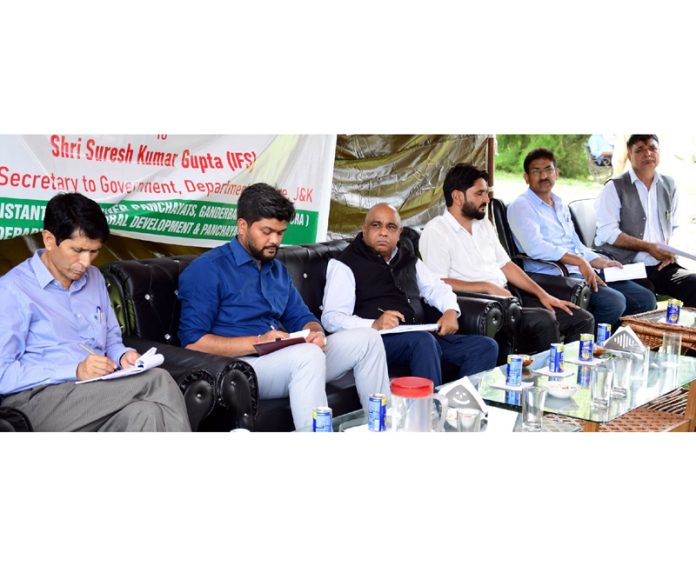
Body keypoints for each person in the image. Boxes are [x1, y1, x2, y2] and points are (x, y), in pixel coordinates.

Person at [177, 182, 390, 431]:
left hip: (287, 357)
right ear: (242, 225)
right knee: (306, 357)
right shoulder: (208, 270)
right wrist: (259, 341)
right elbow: (193, 343)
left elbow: (302, 316)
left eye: (280, 233)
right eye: (267, 231)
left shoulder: (277, 270)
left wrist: (315, 333)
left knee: (368, 339)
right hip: (241, 369)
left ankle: (383, 431)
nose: (274, 241)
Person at [0, 193, 191, 432]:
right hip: (36, 399)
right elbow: (3, 374)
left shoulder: (95, 279)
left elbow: (111, 340)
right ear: (49, 240)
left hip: (95, 392)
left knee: (145, 413)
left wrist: (122, 356)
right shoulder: (13, 289)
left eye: (94, 251)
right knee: (158, 380)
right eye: (77, 250)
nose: (86, 262)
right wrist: (75, 370)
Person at [420, 163, 595, 355]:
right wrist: (486, 287)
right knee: (544, 320)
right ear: (457, 197)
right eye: (479, 193)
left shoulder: (482, 224)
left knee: (581, 318)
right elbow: (437, 281)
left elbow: (506, 265)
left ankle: (572, 377)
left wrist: (542, 294)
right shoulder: (437, 230)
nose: (487, 199)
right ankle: (544, 380)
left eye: (486, 193)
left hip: (508, 297)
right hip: (482, 306)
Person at [321, 203, 498, 387]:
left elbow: (436, 287)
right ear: (364, 229)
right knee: (423, 342)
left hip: (419, 335)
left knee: (485, 347)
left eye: (391, 227)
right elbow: (331, 318)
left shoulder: (407, 259)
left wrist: (451, 311)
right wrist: (374, 324)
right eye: (376, 225)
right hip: (377, 342)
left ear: (399, 233)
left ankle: (461, 409)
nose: (383, 232)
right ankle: (430, 412)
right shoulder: (345, 264)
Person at [507, 148, 656, 330]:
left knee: (645, 298)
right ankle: (590, 347)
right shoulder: (522, 206)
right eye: (536, 171)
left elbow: (576, 244)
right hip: (555, 276)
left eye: (548, 169)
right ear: (526, 177)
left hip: (582, 270)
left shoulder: (559, 203)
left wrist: (600, 262)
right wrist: (578, 261)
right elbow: (535, 247)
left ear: (557, 173)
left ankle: (614, 345)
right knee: (614, 302)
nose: (544, 175)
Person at [595, 134, 696, 307]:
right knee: (645, 296)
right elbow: (607, 232)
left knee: (694, 283)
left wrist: (671, 249)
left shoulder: (669, 185)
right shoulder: (614, 187)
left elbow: (677, 226)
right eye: (640, 149)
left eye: (652, 148)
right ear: (629, 154)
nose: (647, 153)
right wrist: (648, 247)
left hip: (662, 265)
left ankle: (684, 333)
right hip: (626, 266)